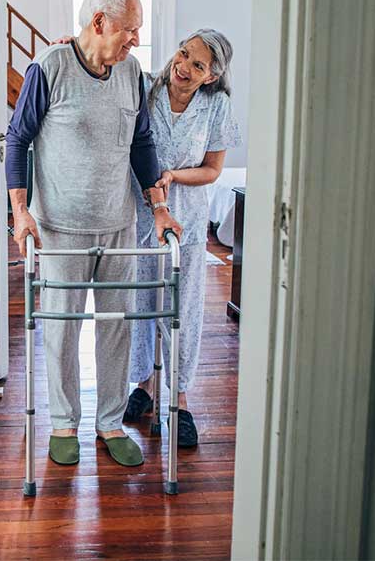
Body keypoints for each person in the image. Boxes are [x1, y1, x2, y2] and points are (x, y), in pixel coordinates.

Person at [4, 0, 182, 468]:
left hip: (118, 224)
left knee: (116, 327)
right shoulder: (50, 67)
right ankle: (64, 422)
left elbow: (141, 143)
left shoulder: (133, 74)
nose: (135, 40)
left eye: (138, 31)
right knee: (61, 330)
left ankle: (110, 421)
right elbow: (18, 141)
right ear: (99, 22)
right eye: (130, 29)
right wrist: (20, 213)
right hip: (59, 228)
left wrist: (159, 205)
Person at [124, 29, 241, 446]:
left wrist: (174, 175)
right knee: (141, 300)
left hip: (187, 217)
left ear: (211, 76)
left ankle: (182, 398)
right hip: (139, 211)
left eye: (198, 65)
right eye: (184, 53)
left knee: (182, 306)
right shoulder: (144, 87)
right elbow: (101, 65)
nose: (184, 66)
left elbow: (212, 170)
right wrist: (72, 44)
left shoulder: (216, 105)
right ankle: (144, 386)